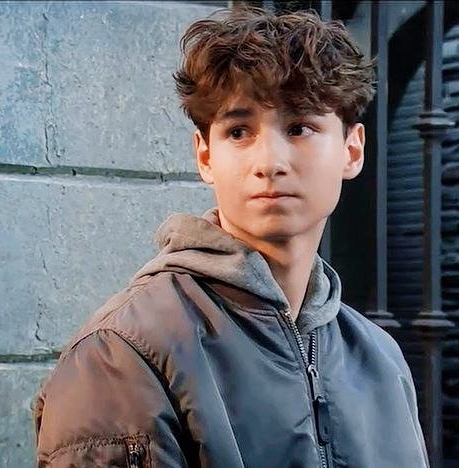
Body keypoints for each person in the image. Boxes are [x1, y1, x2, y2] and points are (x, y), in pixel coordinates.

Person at [34, 6, 429, 468]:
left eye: (299, 128)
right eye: (239, 132)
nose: (269, 162)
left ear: (352, 149)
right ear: (205, 157)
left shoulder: (381, 361)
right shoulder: (123, 352)